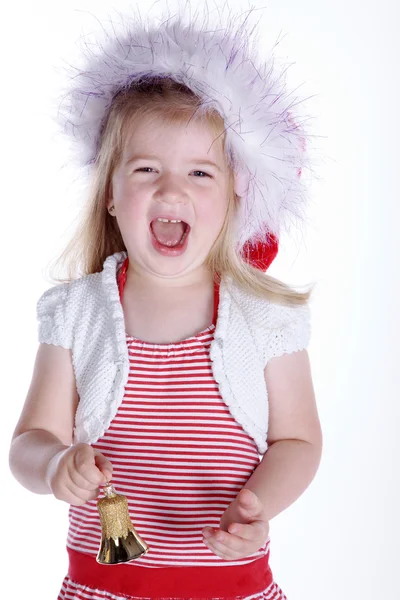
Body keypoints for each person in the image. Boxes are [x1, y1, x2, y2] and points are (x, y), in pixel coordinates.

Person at [9, 3, 323, 599]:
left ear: (235, 197)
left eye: (201, 174)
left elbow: (299, 440)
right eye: (147, 168)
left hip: (233, 588)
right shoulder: (78, 314)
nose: (172, 188)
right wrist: (54, 466)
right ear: (110, 194)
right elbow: (29, 441)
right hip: (104, 588)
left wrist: (261, 505)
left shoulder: (266, 318)